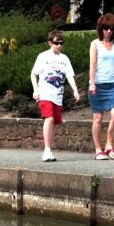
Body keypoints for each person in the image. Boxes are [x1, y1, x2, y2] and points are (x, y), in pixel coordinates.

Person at [30, 30, 80, 162]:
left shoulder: (64, 59)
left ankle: (49, 149)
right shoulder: (43, 56)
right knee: (49, 119)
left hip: (58, 95)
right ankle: (46, 151)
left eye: (61, 43)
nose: (59, 45)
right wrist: (36, 90)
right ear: (50, 43)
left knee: (55, 123)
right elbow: (33, 74)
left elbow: (69, 75)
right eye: (56, 43)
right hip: (45, 93)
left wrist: (75, 89)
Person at [88, 13, 114, 160]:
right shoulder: (95, 44)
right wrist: (92, 83)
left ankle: (109, 145)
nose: (108, 31)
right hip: (97, 85)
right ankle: (98, 150)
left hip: (111, 85)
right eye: (105, 28)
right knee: (98, 118)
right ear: (101, 29)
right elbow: (92, 65)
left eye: (111, 28)